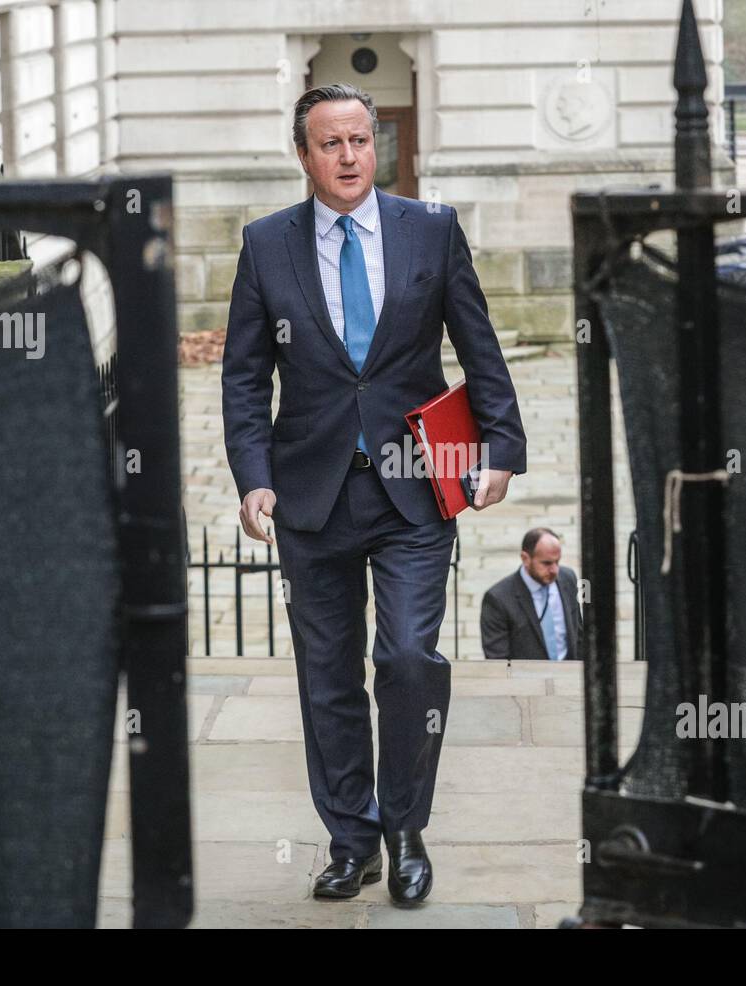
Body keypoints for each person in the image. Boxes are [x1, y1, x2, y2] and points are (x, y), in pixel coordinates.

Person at [221, 83, 528, 906]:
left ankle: (405, 829)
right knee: (327, 676)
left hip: (413, 491)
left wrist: (501, 443)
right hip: (310, 497)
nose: (351, 155)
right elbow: (246, 379)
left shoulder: (430, 230)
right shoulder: (265, 245)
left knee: (405, 660)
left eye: (361, 139)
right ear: (304, 154)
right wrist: (253, 479)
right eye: (332, 143)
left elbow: (478, 341)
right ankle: (350, 839)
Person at [480, 527, 584, 661]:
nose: (554, 570)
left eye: (557, 562)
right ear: (525, 559)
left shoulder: (568, 578)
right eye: (546, 563)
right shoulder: (498, 599)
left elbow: (579, 634)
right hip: (526, 678)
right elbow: (498, 660)